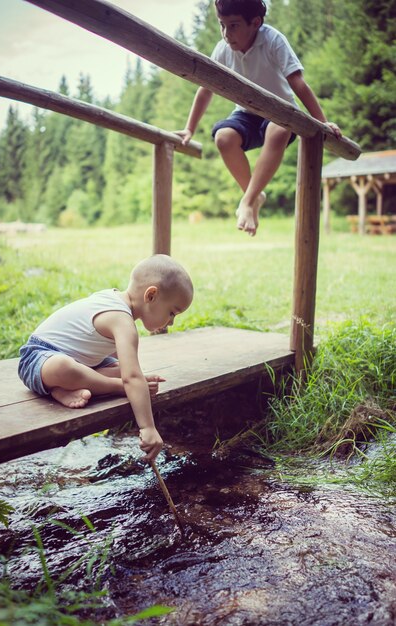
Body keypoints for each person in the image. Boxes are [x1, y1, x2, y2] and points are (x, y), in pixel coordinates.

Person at [177, 0, 342, 237]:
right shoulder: (222, 50)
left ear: (255, 23)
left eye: (233, 26)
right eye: (222, 25)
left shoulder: (273, 40)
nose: (226, 34)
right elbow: (205, 89)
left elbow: (298, 83)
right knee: (223, 137)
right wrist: (189, 128)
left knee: (280, 128)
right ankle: (255, 196)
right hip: (246, 113)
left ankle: (247, 201)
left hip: (281, 112)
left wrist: (322, 121)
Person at [18, 254, 194, 461]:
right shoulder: (122, 321)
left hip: (83, 363)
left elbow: (122, 365)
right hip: (38, 358)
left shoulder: (115, 300)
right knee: (65, 367)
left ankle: (60, 389)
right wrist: (147, 427)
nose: (171, 322)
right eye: (172, 313)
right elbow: (132, 378)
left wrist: (131, 377)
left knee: (121, 368)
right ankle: (110, 386)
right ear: (151, 295)